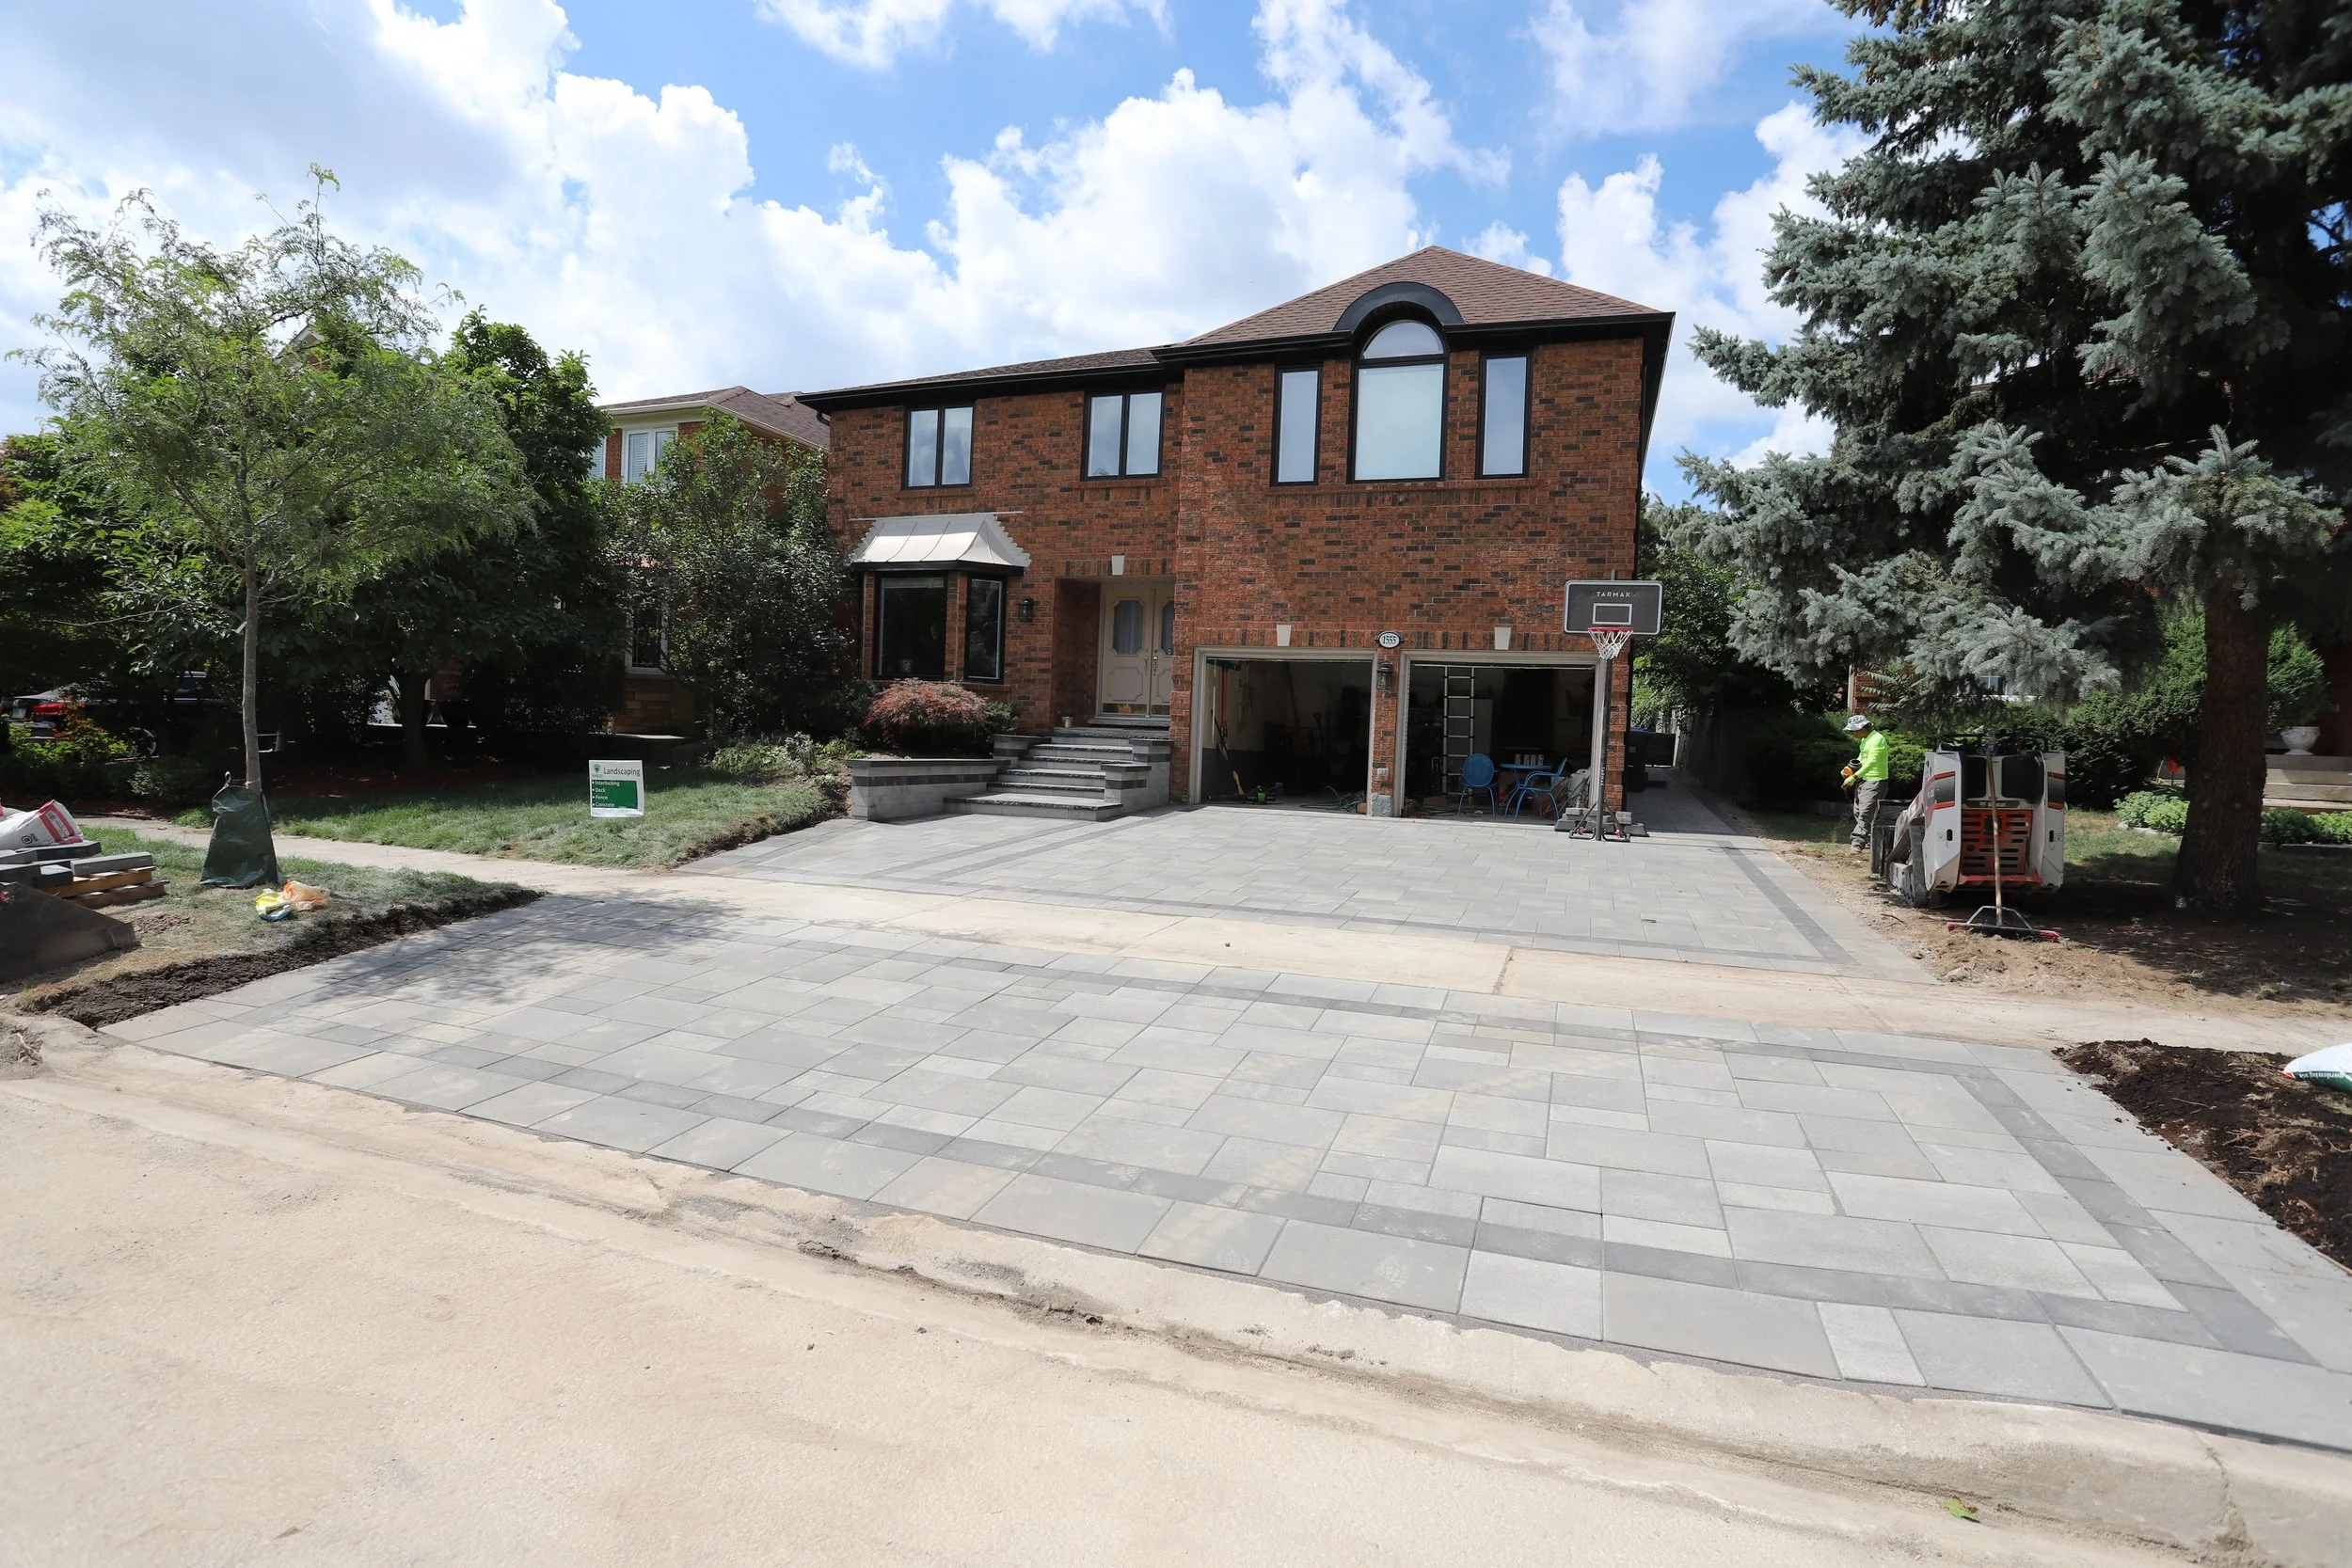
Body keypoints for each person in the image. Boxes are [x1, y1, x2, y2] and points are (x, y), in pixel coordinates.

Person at [1842, 713, 1888, 852]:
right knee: (1858, 811)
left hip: (1875, 781)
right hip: (1864, 780)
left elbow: (1872, 762)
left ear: (1863, 727)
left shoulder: (1877, 739)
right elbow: (1862, 759)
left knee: (1865, 814)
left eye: (1854, 730)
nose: (1852, 733)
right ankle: (1872, 840)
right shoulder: (1865, 740)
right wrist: (1849, 769)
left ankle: (1857, 843)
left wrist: (1854, 777)